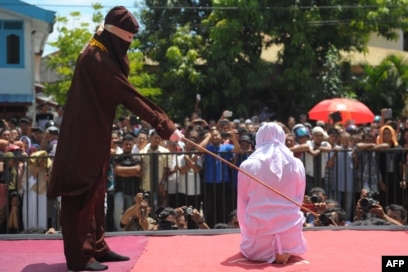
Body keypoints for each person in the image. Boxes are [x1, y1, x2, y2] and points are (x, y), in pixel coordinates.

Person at [46, 6, 183, 271]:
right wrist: (166, 126)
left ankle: (97, 247)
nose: (128, 47)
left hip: (93, 138)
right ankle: (80, 258)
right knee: (81, 197)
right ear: (117, 37)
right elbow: (129, 95)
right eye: (128, 41)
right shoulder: (97, 59)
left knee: (96, 196)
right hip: (82, 140)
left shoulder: (100, 51)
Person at [237, 122, 307, 264]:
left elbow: (242, 204)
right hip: (291, 237)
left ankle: (271, 251)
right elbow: (298, 200)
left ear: (259, 138)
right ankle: (286, 250)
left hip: (258, 242)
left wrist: (246, 233)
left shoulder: (247, 165)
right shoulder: (297, 164)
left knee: (250, 248)